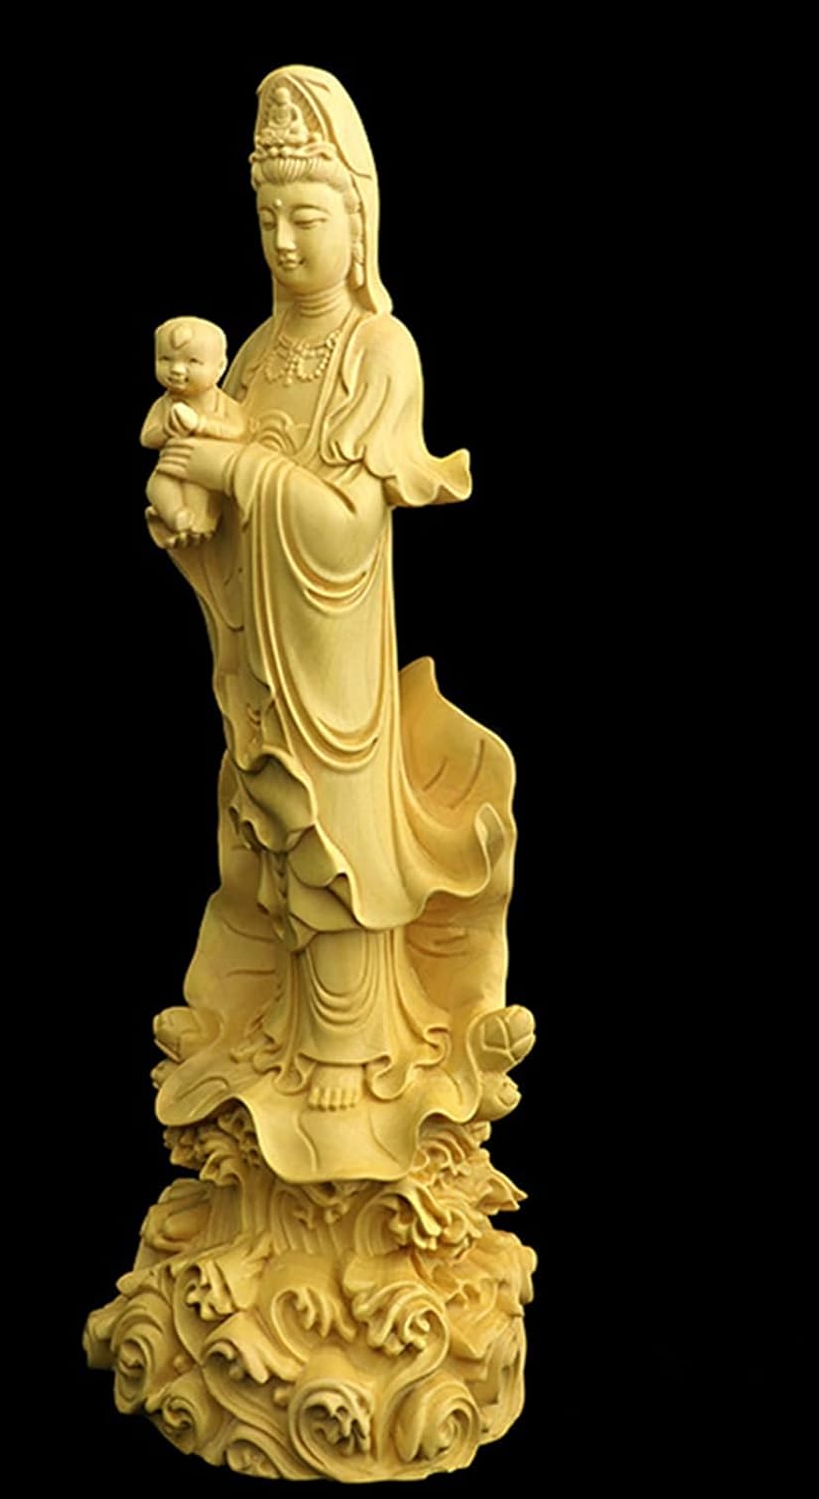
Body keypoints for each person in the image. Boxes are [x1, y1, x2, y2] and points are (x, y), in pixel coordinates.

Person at [146, 66, 532, 1183]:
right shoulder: (258, 353)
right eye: (267, 215)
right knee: (272, 827)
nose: (282, 239)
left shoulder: (378, 350)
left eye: (306, 215)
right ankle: (297, 1026)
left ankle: (356, 1044)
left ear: (357, 220)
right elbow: (226, 481)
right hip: (265, 644)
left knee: (339, 830)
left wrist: (233, 470)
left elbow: (346, 524)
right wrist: (192, 508)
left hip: (335, 645)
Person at [141, 316, 246, 542]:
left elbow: (238, 430)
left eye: (193, 361)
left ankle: (199, 524)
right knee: (156, 486)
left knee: (198, 489)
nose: (176, 369)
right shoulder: (165, 404)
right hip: (170, 468)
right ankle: (176, 517)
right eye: (165, 359)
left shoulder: (222, 404)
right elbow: (147, 438)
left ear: (220, 367)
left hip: (204, 470)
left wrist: (200, 424)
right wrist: (166, 431)